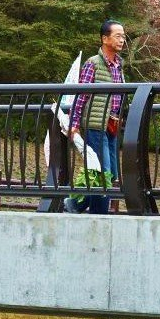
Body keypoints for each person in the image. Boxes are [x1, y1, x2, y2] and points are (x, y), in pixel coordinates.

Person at [67, 20, 129, 215]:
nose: (122, 40)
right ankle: (98, 216)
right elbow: (81, 95)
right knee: (103, 172)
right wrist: (74, 124)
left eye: (123, 36)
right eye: (118, 36)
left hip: (112, 126)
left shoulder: (119, 65)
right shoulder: (93, 63)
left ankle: (75, 204)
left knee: (110, 173)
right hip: (96, 125)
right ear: (105, 38)